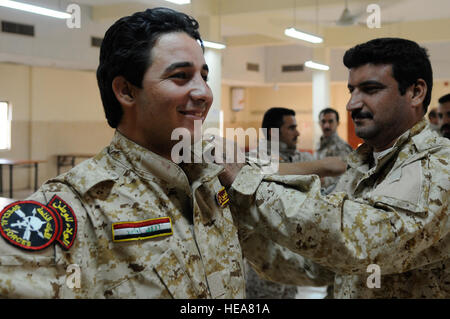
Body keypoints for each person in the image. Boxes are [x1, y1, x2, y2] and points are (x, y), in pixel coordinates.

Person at [0, 7, 332, 299]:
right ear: (126, 91)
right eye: (180, 76)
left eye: (204, 76)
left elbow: (295, 263)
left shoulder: (214, 184)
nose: (203, 93)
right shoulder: (77, 208)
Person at [221, 37, 450, 298]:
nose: (352, 103)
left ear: (415, 92)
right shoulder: (363, 166)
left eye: (370, 89)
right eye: (351, 90)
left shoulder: (439, 166)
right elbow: (317, 265)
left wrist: (247, 183)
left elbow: (359, 242)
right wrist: (241, 216)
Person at [315, 107, 353, 193]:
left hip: (334, 194)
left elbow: (346, 176)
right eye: (323, 121)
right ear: (319, 123)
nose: (326, 125)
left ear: (338, 123)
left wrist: (324, 181)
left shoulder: (342, 147)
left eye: (330, 121)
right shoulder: (319, 145)